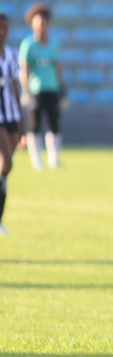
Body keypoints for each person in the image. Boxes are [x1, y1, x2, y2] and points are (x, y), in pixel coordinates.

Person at [19, 2, 65, 170]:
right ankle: (36, 161)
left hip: (51, 88)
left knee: (54, 124)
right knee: (35, 125)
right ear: (32, 22)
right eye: (39, 20)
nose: (42, 24)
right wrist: (26, 90)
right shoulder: (28, 45)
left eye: (45, 21)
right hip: (35, 90)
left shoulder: (53, 43)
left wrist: (62, 88)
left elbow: (58, 66)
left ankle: (54, 159)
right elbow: (24, 68)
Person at [0, 13, 25, 236]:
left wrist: (22, 121)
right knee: (6, 163)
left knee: (4, 172)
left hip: (11, 115)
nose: (3, 31)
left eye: (6, 27)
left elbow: (15, 89)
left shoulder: (12, 55)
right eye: (0, 27)